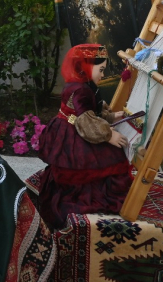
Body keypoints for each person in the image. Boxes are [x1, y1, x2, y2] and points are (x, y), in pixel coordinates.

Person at [36, 44, 132, 230]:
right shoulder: (81, 90)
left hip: (70, 128)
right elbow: (85, 122)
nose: (103, 75)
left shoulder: (80, 84)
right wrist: (109, 135)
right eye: (101, 70)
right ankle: (89, 198)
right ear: (86, 66)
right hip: (74, 132)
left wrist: (112, 116)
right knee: (112, 160)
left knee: (83, 165)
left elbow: (89, 113)